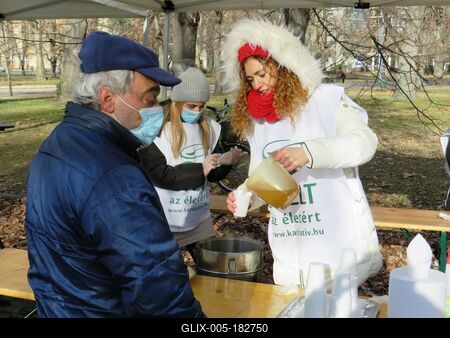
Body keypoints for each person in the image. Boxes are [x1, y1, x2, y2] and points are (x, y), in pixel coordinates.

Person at [25, 31, 205, 318]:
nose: (157, 108)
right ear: (108, 99)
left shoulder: (57, 143)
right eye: (150, 96)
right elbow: (156, 284)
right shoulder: (114, 177)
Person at [222, 18, 383, 287]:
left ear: (283, 66)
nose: (257, 84)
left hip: (335, 243)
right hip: (292, 245)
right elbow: (263, 179)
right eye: (250, 79)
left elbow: (363, 143)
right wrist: (247, 196)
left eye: (262, 74)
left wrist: (308, 152)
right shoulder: (258, 122)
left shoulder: (327, 100)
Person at [138, 66, 246, 256]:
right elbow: (160, 175)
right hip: (165, 220)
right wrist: (201, 169)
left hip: (198, 218)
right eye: (191, 106)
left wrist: (225, 162)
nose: (197, 111)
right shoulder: (155, 129)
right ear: (177, 102)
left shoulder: (209, 127)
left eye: (202, 106)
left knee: (211, 268)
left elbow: (212, 176)